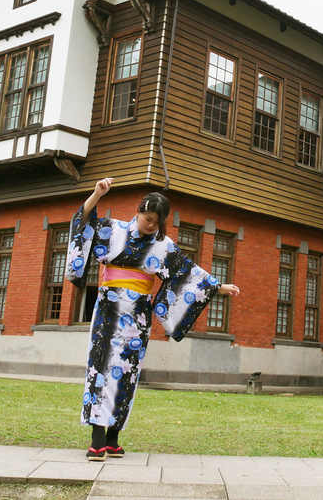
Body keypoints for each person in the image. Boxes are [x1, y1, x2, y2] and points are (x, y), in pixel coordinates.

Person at [65, 178, 240, 461]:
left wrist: (218, 287)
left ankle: (112, 439)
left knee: (128, 373)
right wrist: (97, 194)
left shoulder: (163, 245)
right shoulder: (112, 230)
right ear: (138, 211)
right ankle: (97, 439)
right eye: (148, 219)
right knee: (101, 367)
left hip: (138, 317)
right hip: (108, 311)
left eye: (157, 223)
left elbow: (188, 272)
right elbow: (82, 223)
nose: (151, 226)